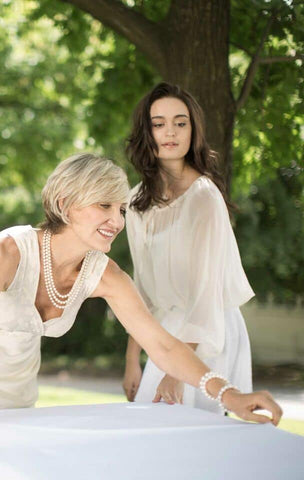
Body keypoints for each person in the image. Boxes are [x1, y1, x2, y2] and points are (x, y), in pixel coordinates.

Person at [0, 153, 282, 427]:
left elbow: (164, 346)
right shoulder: (7, 250)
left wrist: (230, 395)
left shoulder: (104, 274)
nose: (118, 221)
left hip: (15, 371)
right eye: (104, 206)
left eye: (121, 209)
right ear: (64, 205)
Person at [123, 82, 255, 413]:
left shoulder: (204, 198)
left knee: (196, 443)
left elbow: (206, 294)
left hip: (208, 335)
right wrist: (131, 358)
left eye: (181, 123)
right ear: (146, 131)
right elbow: (141, 291)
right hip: (164, 333)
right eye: (159, 123)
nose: (171, 132)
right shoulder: (136, 203)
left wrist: (177, 372)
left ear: (193, 130)